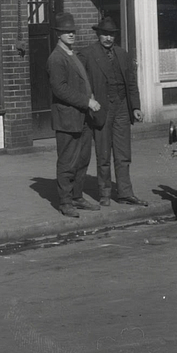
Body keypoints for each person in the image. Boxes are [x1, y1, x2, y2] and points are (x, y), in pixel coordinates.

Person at [80, 16, 147, 206]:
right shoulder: (87, 54)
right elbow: (79, 81)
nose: (108, 38)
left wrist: (135, 107)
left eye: (111, 35)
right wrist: (89, 98)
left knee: (123, 153)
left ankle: (126, 193)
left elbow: (132, 83)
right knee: (103, 154)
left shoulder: (122, 54)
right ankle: (105, 193)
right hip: (102, 109)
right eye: (105, 34)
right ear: (98, 34)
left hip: (122, 108)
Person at [47, 12, 102, 218]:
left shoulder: (72, 54)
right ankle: (65, 201)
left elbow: (82, 83)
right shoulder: (56, 58)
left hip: (82, 117)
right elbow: (60, 89)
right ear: (58, 34)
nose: (70, 34)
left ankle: (77, 197)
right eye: (65, 31)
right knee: (67, 161)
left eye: (72, 31)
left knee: (82, 159)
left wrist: (90, 96)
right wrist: (86, 101)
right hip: (68, 118)